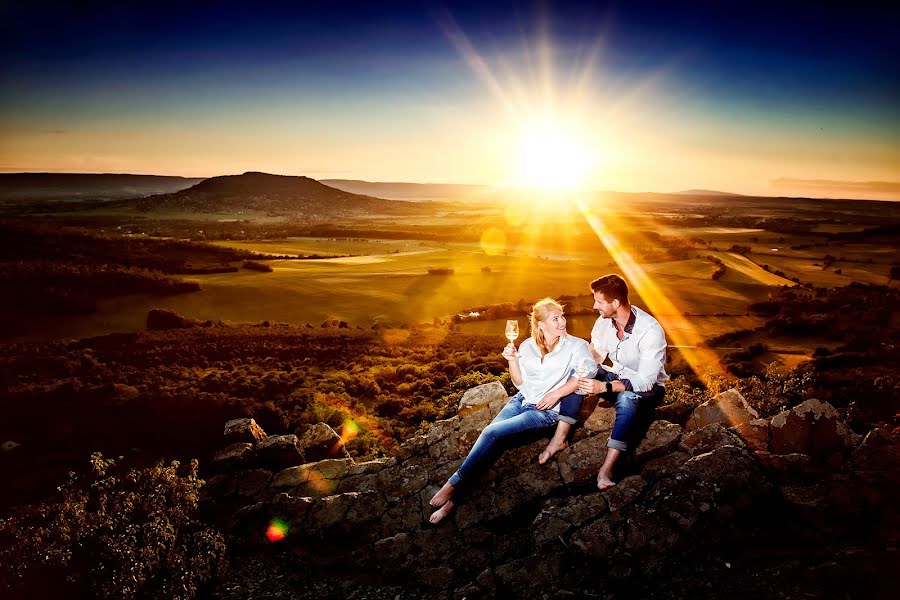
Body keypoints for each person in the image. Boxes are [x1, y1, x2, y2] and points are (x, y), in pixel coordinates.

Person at [428, 297, 596, 524]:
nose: (562, 322)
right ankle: (452, 504)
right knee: (490, 442)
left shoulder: (576, 346)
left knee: (490, 434)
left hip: (546, 412)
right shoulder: (527, 346)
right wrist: (512, 360)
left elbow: (586, 373)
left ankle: (452, 485)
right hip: (521, 399)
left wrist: (556, 394)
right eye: (555, 318)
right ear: (540, 325)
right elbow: (518, 381)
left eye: (562, 317)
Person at [576, 274, 669, 490]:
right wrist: (578, 365)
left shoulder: (650, 331)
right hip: (616, 377)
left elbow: (645, 381)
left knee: (627, 398)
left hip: (649, 389)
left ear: (615, 303)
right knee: (582, 371)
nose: (594, 306)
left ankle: (606, 470)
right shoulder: (603, 322)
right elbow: (596, 355)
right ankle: (558, 431)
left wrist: (604, 387)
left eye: (599, 301)